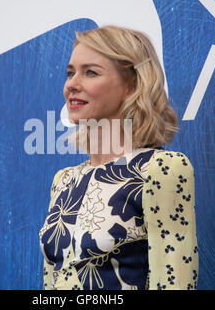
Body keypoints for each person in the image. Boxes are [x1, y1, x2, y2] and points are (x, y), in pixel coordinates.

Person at [39, 25, 198, 290]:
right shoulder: (64, 181)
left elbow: (176, 283)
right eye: (70, 72)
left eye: (90, 72)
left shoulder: (160, 169)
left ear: (132, 85)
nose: (71, 85)